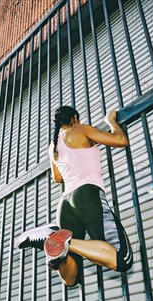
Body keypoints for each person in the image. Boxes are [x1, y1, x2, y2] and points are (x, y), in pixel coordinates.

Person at [15, 105, 133, 287]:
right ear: (75, 119)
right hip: (86, 195)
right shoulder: (80, 129)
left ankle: (57, 239)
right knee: (122, 258)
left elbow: (57, 178)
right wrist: (110, 122)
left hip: (65, 205)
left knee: (71, 279)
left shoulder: (52, 147)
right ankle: (55, 236)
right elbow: (120, 140)